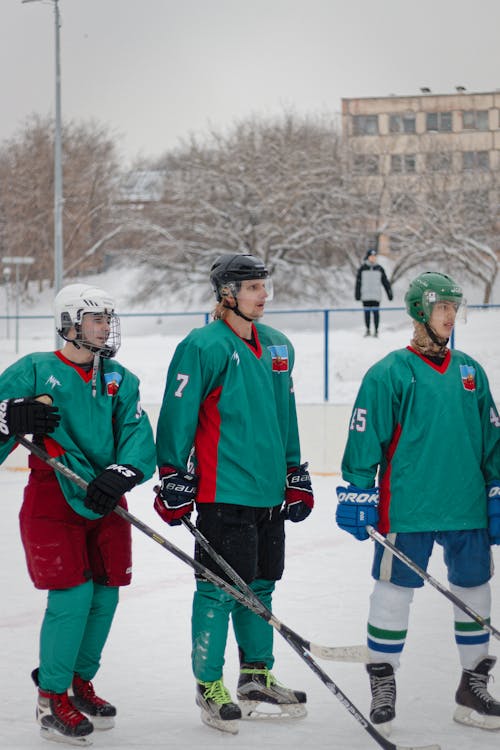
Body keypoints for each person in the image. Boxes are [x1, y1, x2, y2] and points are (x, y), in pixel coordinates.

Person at [154, 253, 314, 734]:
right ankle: (208, 685)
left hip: (268, 492)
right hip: (223, 492)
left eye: (264, 286)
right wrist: (171, 473)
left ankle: (255, 676)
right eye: (252, 287)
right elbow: (176, 415)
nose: (263, 295)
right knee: (220, 589)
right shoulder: (202, 346)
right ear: (227, 294)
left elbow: (285, 415)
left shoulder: (279, 346)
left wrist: (294, 470)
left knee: (262, 585)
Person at [335, 271, 500, 735]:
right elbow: (364, 439)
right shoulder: (390, 372)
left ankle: (473, 684)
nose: (449, 316)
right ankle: (383, 680)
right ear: (420, 312)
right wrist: (357, 488)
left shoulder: (471, 371)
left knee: (475, 591)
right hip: (406, 508)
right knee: (392, 594)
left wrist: (497, 489)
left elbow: (492, 441)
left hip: (465, 507)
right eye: (441, 307)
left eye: (454, 307)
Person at [0, 283, 156, 745]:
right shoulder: (33, 370)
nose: (106, 327)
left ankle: (78, 680)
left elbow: (137, 434)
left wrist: (123, 473)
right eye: (96, 319)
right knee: (72, 597)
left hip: (105, 499)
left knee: (106, 596)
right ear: (69, 323)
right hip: (53, 497)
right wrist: (10, 417)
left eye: (108, 318)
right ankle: (51, 696)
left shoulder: (120, 378)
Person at [354, 248, 393, 337]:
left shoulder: (379, 268)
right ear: (368, 257)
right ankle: (367, 330)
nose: (373, 258)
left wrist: (389, 293)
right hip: (366, 296)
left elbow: (385, 282)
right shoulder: (362, 268)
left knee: (376, 313)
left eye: (374, 256)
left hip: (376, 296)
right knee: (367, 313)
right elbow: (358, 283)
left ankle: (376, 330)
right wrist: (357, 294)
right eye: (371, 256)